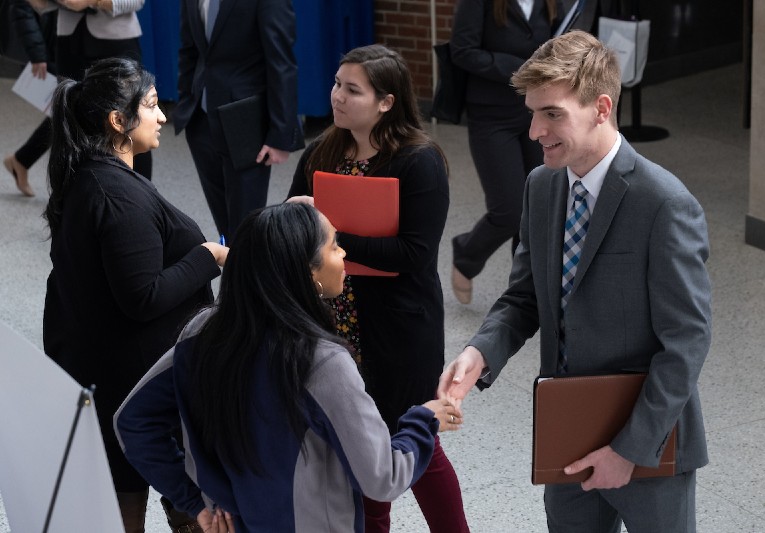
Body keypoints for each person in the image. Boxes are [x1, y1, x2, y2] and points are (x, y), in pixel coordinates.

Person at [438, 31, 712, 533]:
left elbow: (687, 343)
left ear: (601, 107)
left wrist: (629, 451)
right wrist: (480, 352)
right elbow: (524, 296)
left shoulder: (665, 204)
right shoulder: (541, 186)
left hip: (649, 440)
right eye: (532, 113)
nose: (533, 130)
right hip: (568, 434)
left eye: (552, 114)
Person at [114, 203, 463, 532]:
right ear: (306, 272)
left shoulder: (201, 331)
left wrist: (196, 504)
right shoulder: (322, 360)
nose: (343, 255)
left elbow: (132, 422)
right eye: (334, 246)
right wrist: (423, 420)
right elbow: (382, 477)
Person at [286, 44, 470, 533]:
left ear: (386, 101)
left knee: (417, 445)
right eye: (336, 85)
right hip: (333, 325)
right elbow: (287, 232)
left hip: (400, 328)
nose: (337, 97)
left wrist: (329, 235)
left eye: (352, 90)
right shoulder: (321, 151)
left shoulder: (418, 161)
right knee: (358, 450)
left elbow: (413, 254)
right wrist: (298, 222)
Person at [42, 57, 228, 533]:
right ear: (118, 121)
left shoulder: (93, 176)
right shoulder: (115, 195)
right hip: (136, 382)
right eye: (150, 105)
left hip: (112, 373)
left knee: (126, 496)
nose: (162, 115)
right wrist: (209, 257)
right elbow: (142, 295)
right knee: (163, 497)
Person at [448, 0, 562, 304]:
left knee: (538, 204)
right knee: (510, 210)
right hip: (491, 114)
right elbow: (462, 50)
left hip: (537, 112)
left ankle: (526, 288)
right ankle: (466, 255)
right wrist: (520, 69)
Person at [173, 0, 304, 242]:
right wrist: (186, 100)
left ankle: (249, 278)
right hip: (201, 120)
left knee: (246, 226)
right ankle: (234, 274)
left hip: (246, 122)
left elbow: (281, 63)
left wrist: (281, 134)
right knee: (224, 224)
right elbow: (189, 50)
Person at [53, 0, 154, 179]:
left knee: (131, 120)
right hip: (69, 39)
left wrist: (92, 1)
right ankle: (78, 195)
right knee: (70, 118)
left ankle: (142, 195)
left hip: (116, 40)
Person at [3, 0, 56, 197]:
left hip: (74, 40)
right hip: (56, 44)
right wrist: (37, 53)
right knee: (68, 110)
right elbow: (22, 7)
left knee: (67, 111)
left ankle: (21, 160)